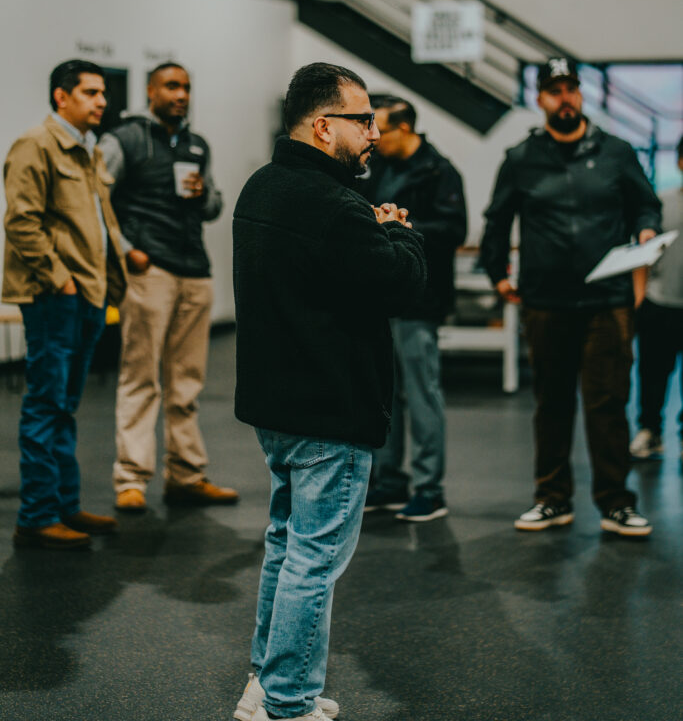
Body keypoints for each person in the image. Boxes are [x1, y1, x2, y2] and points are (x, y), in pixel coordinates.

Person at [232, 63, 426, 721]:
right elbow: (401, 283)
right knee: (312, 560)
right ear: (323, 126)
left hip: (276, 409)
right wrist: (396, 229)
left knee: (285, 547)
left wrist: (368, 229)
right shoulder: (335, 206)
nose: (374, 132)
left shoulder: (262, 186)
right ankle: (289, 702)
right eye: (363, 119)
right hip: (329, 411)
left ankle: (264, 683)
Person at [480, 56, 662, 538]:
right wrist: (497, 273)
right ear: (540, 99)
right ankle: (552, 499)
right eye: (555, 90)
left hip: (609, 302)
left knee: (608, 404)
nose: (565, 97)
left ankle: (616, 503)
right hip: (546, 302)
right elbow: (497, 219)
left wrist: (646, 229)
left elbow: (646, 201)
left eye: (572, 89)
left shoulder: (617, 151)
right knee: (552, 403)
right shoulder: (521, 159)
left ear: (581, 95)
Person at [99, 62, 238, 512]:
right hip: (149, 270)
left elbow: (214, 204)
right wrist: (125, 249)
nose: (181, 95)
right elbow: (94, 198)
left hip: (194, 271)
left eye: (187, 88)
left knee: (187, 383)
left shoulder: (197, 145)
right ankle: (131, 479)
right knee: (141, 378)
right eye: (172, 87)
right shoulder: (124, 140)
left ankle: (186, 475)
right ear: (151, 91)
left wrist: (202, 195)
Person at [3, 59, 127, 549]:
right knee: (45, 406)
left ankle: (65, 506)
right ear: (61, 96)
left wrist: (120, 264)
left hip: (91, 293)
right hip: (57, 297)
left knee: (65, 407)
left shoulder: (88, 149)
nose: (102, 101)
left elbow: (101, 220)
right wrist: (60, 281)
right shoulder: (36, 145)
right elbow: (21, 222)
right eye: (91, 93)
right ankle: (36, 517)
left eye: (103, 93)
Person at [358, 94, 467, 522]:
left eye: (379, 128)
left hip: (420, 298)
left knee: (422, 395)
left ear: (404, 127)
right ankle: (388, 481)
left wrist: (401, 226)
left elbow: (453, 229)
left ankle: (429, 488)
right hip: (381, 295)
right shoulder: (377, 166)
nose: (373, 136)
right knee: (384, 393)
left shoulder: (440, 171)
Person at [630, 135, 683, 461]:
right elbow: (642, 254)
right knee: (652, 374)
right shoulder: (660, 204)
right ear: (679, 162)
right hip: (659, 303)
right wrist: (639, 299)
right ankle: (650, 430)